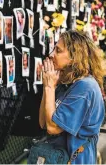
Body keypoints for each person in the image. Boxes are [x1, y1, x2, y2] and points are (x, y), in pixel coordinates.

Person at [39, 30, 105, 164]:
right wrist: (48, 86)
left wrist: (49, 87)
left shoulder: (85, 87)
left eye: (58, 50)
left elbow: (53, 128)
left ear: (75, 57)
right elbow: (43, 123)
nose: (51, 55)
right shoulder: (66, 84)